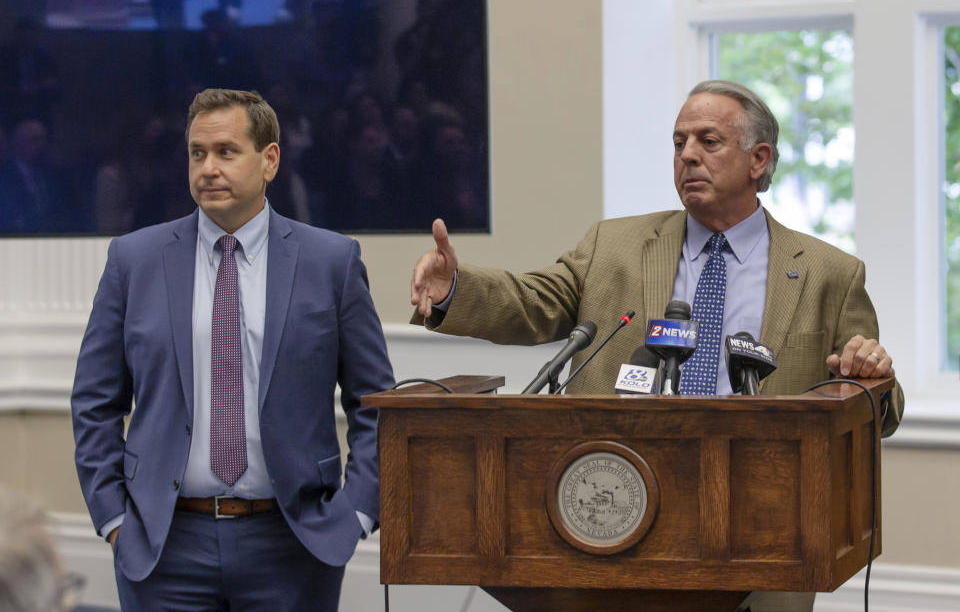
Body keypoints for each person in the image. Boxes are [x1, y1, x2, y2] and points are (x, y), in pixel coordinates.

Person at [410, 80, 904, 612]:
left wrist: (870, 375)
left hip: (763, 528)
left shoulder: (829, 274)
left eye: (708, 142)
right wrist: (455, 289)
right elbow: (533, 302)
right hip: (617, 507)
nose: (687, 155)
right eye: (678, 143)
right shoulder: (613, 246)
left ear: (758, 159)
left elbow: (883, 411)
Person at [72, 88, 393, 610]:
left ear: (269, 160)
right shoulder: (134, 260)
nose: (208, 168)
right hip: (163, 547)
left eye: (226, 151)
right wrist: (114, 521)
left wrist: (353, 515)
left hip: (293, 544)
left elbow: (376, 402)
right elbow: (94, 401)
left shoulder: (330, 262)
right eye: (197, 153)